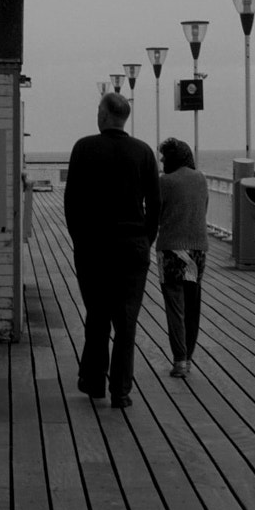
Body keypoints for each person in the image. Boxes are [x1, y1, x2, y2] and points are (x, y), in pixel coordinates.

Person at [64, 92, 160, 409]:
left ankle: (93, 382)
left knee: (98, 316)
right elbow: (155, 205)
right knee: (127, 320)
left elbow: (72, 202)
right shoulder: (144, 152)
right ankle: (121, 391)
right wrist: (145, 239)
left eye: (98, 110)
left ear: (105, 116)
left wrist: (80, 239)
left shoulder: (84, 148)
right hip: (133, 249)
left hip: (94, 247)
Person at [155, 138, 208, 378]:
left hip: (171, 251)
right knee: (192, 304)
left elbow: (156, 213)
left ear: (172, 158)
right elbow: (203, 208)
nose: (162, 160)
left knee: (174, 306)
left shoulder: (164, 182)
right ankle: (188, 357)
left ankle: (179, 360)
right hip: (196, 249)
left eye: (164, 157)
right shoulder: (201, 179)